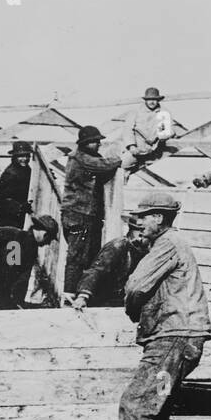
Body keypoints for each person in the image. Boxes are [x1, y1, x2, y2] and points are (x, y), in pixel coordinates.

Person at [108, 192, 211, 420]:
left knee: (135, 403)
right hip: (183, 337)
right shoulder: (174, 243)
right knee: (158, 410)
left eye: (144, 216)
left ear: (159, 218)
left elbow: (137, 285)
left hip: (172, 338)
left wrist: (131, 307)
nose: (138, 222)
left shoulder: (167, 244)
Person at [61, 125, 124, 294]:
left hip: (84, 214)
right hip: (80, 215)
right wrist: (121, 160)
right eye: (95, 142)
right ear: (85, 143)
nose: (98, 144)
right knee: (77, 257)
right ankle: (69, 295)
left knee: (86, 256)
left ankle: (81, 293)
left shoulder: (83, 158)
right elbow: (103, 165)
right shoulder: (82, 158)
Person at [0, 214, 60, 310]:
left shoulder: (32, 249)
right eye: (49, 239)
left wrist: (18, 302)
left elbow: (22, 279)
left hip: (2, 292)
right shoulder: (13, 234)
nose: (48, 243)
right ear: (44, 234)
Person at [72, 215, 149, 309]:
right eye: (139, 231)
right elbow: (96, 270)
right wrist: (83, 296)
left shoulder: (147, 251)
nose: (142, 235)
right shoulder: (117, 246)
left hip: (127, 301)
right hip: (105, 301)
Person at [125, 87, 177, 167]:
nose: (152, 102)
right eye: (149, 99)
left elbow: (171, 129)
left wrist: (164, 135)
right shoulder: (135, 111)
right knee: (126, 164)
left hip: (156, 148)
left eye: (155, 99)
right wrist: (132, 146)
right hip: (137, 148)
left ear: (159, 100)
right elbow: (128, 130)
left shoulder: (164, 112)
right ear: (145, 100)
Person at [0, 141, 34, 227]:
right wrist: (20, 207)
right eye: (21, 156)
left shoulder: (27, 170)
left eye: (27, 156)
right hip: (9, 218)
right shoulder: (10, 174)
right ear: (15, 157)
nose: (25, 159)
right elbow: (5, 200)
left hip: (22, 216)